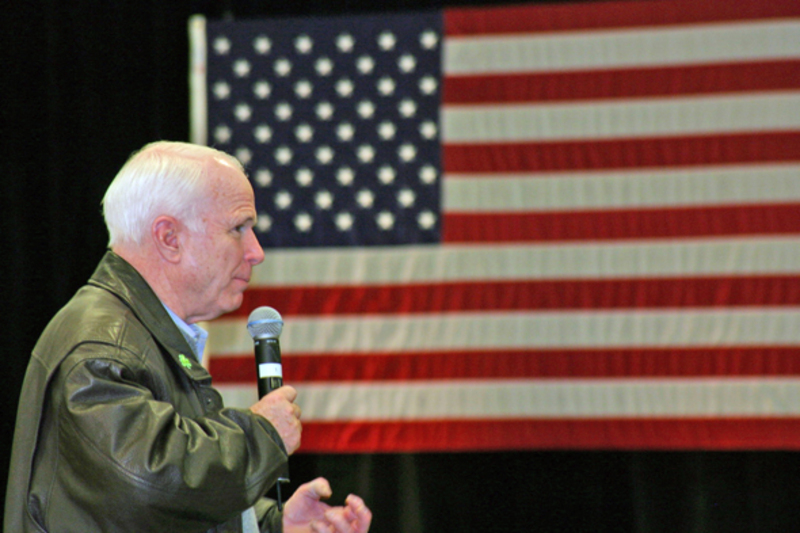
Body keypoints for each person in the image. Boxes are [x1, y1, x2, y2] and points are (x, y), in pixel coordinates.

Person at [4, 141, 372, 533]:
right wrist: (259, 436)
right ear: (169, 238)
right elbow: (148, 483)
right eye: (238, 228)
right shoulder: (103, 347)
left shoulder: (140, 332)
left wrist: (272, 525)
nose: (256, 251)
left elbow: (151, 512)